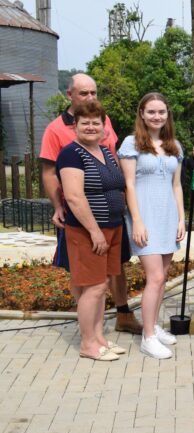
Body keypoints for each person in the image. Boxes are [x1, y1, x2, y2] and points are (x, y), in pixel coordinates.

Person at [40, 73, 142, 335]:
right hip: (82, 217)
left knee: (115, 267)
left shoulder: (103, 119)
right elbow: (50, 173)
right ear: (70, 95)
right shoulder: (55, 130)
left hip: (112, 218)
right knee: (83, 273)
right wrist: (58, 206)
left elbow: (111, 158)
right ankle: (88, 327)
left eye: (93, 93)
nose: (90, 97)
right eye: (84, 93)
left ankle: (121, 313)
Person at [56, 100, 127, 361]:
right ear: (75, 126)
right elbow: (74, 197)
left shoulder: (106, 151)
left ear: (103, 126)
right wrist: (95, 231)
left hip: (113, 226)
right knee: (93, 287)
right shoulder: (71, 153)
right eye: (84, 122)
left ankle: (99, 338)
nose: (90, 126)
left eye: (96, 122)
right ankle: (88, 344)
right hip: (88, 231)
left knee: (104, 284)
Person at [118, 93, 185, 359]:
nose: (157, 117)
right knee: (154, 278)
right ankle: (147, 338)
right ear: (142, 114)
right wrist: (137, 221)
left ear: (167, 115)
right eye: (151, 112)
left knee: (162, 278)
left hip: (168, 216)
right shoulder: (131, 143)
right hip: (144, 217)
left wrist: (181, 218)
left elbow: (177, 185)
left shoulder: (174, 145)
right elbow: (129, 185)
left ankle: (154, 327)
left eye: (161, 112)